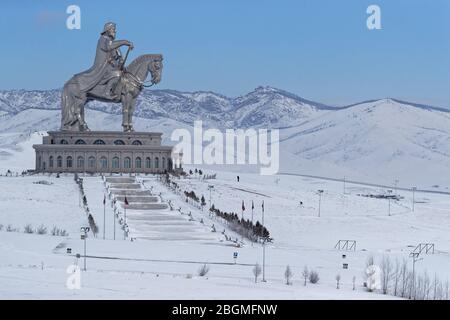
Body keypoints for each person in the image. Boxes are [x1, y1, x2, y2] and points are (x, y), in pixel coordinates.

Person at [72, 22, 133, 100]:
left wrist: (121, 61)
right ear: (107, 30)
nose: (115, 31)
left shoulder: (113, 43)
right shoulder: (103, 40)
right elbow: (109, 47)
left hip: (112, 66)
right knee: (117, 74)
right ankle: (107, 92)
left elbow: (118, 56)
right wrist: (125, 42)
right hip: (103, 67)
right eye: (113, 29)